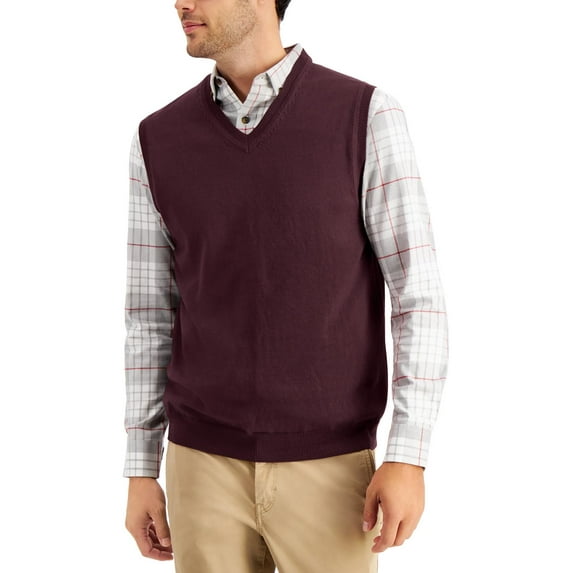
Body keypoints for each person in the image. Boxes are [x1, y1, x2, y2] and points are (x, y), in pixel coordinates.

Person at [123, 1, 449, 571]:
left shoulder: (365, 115)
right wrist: (140, 467)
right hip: (200, 466)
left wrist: (408, 454)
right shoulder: (157, 138)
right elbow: (150, 315)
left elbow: (416, 295)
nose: (180, 2)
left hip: (332, 469)